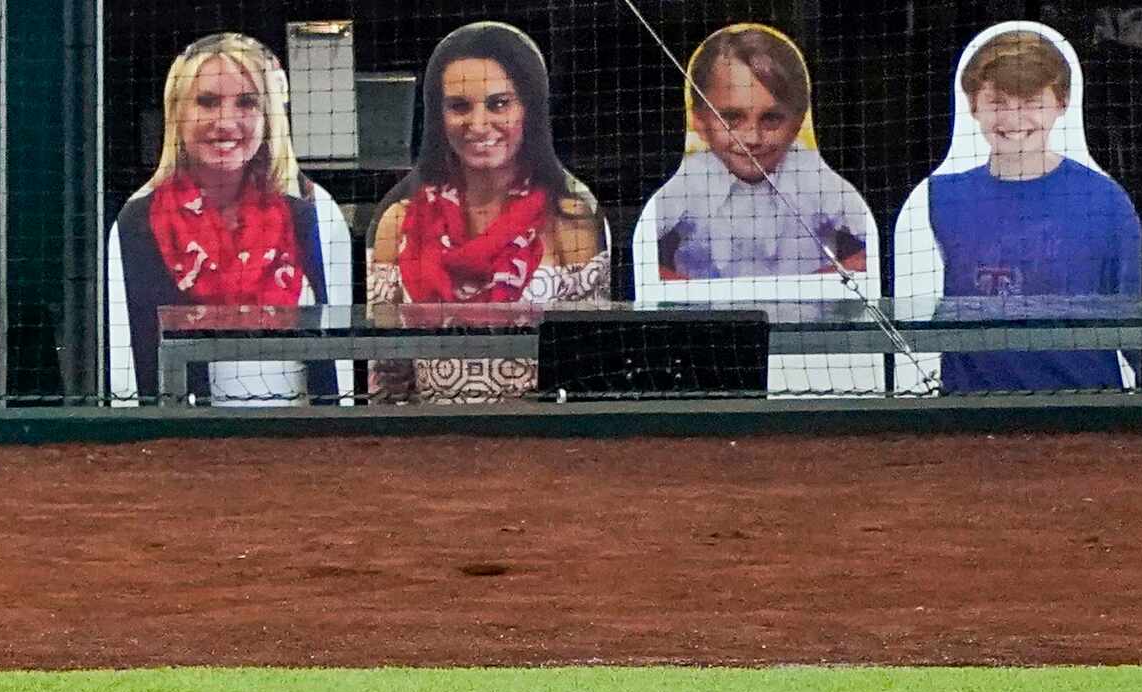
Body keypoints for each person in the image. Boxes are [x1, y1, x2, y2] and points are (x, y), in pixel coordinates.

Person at [366, 22, 609, 404]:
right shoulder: (398, 222)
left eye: (499, 104)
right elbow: (386, 382)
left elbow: (588, 375)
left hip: (539, 449)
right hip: (428, 447)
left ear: (529, 109)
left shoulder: (570, 222)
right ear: (437, 116)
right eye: (459, 106)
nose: (478, 125)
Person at [103, 33, 351, 405]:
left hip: (300, 445)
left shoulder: (315, 210)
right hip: (183, 448)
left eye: (247, 103)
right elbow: (122, 371)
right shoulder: (135, 221)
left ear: (269, 118)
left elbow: (341, 362)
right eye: (207, 101)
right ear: (177, 113)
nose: (225, 121)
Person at [900, 23, 1142, 394]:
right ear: (973, 106)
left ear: (1061, 104)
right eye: (998, 103)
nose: (1013, 120)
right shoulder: (937, 199)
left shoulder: (1107, 201)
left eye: (1031, 103)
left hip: (1086, 411)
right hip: (970, 413)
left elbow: (1133, 330)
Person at [641, 26, 872, 283]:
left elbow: (875, 249)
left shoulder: (813, 175)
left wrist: (804, 287)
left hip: (805, 320)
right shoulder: (689, 180)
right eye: (731, 118)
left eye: (771, 118)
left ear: (797, 122)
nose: (752, 138)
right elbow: (638, 258)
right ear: (699, 121)